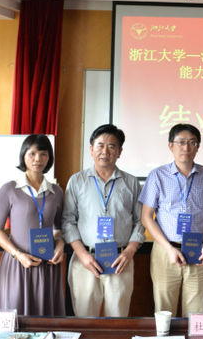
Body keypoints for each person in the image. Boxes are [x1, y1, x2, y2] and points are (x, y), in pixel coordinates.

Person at [62, 124, 144, 317]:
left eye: (112, 146)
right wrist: (82, 254)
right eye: (100, 145)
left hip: (120, 260)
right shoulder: (77, 181)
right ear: (91, 149)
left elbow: (141, 221)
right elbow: (67, 220)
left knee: (118, 319)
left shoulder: (132, 182)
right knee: (84, 318)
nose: (105, 151)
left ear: (120, 152)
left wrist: (130, 251)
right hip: (85, 260)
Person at [140, 124, 203, 316]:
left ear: (198, 146)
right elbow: (146, 217)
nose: (186, 147)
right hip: (165, 250)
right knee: (164, 309)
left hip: (197, 251)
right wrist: (168, 248)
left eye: (192, 142)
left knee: (195, 311)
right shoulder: (157, 176)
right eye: (181, 142)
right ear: (170, 145)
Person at [0, 134, 65, 316]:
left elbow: (59, 229)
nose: (37, 159)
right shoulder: (9, 189)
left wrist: (60, 245)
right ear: (23, 156)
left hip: (47, 264)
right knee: (15, 318)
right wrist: (18, 255)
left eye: (43, 154)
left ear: (49, 158)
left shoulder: (56, 191)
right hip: (18, 263)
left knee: (45, 317)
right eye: (32, 153)